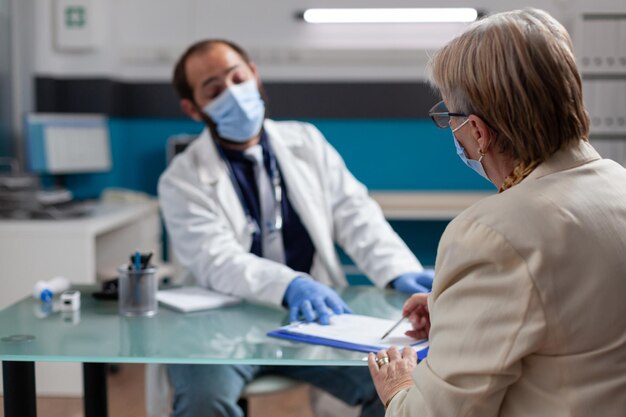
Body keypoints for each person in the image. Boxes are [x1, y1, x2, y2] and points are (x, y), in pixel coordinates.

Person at [368, 8, 626, 417]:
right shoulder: (617, 185)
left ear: (478, 131)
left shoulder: (491, 232)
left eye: (449, 118)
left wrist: (399, 387)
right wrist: (460, 311)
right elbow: (568, 318)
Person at [158, 39, 435, 417]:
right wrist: (289, 283)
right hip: (222, 324)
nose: (234, 93)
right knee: (204, 401)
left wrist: (398, 269)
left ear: (253, 74)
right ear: (193, 108)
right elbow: (216, 259)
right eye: (214, 90)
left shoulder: (306, 141)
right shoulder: (181, 179)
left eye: (237, 77)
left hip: (315, 318)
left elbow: (355, 214)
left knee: (398, 381)